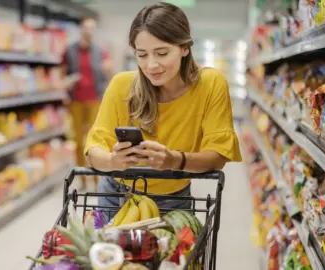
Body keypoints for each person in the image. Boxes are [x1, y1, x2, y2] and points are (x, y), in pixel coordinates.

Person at [83, 3, 242, 220]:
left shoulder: (210, 84)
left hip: (173, 200)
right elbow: (93, 150)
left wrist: (173, 160)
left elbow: (218, 156)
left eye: (162, 53)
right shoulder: (122, 85)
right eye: (142, 55)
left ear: (184, 47)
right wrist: (113, 161)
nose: (151, 65)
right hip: (116, 196)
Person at [62, 16, 113, 190]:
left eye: (92, 28)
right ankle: (82, 178)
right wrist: (66, 83)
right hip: (75, 100)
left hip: (95, 100)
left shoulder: (100, 51)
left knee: (95, 140)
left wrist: (108, 70)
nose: (89, 31)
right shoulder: (69, 51)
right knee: (78, 140)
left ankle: (97, 178)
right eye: (86, 28)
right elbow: (62, 74)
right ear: (81, 29)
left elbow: (108, 72)